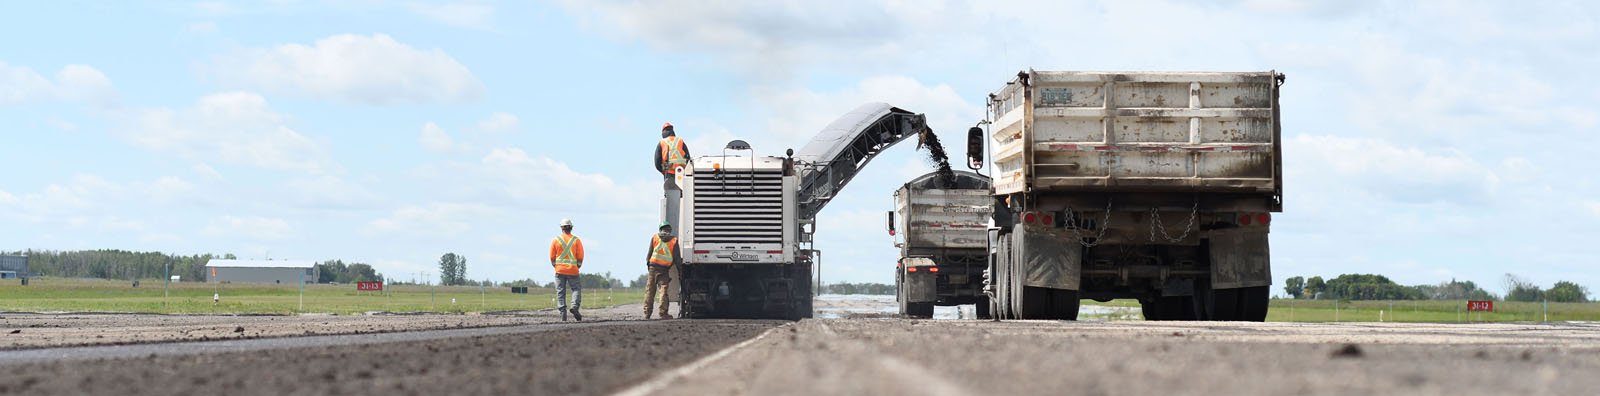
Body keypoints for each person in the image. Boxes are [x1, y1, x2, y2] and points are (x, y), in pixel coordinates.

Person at [643, 220, 681, 319]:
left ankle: (647, 313)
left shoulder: (655, 237)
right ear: (670, 230)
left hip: (653, 267)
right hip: (664, 269)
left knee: (650, 291)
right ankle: (663, 313)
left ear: (661, 229)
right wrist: (681, 271)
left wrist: (649, 266)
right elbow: (677, 258)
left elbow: (649, 254)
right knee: (663, 291)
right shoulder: (674, 241)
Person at [549, 218, 585, 321]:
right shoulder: (576, 240)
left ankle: (562, 313)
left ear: (561, 228)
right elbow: (580, 256)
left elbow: (552, 256)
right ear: (571, 228)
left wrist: (556, 266)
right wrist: (577, 265)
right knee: (576, 289)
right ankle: (574, 307)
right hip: (573, 270)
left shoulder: (556, 240)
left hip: (559, 270)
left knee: (560, 291)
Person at [654, 122, 691, 191]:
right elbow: (688, 157)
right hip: (681, 171)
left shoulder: (662, 143)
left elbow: (657, 162)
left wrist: (663, 171)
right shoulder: (680, 141)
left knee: (670, 195)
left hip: (668, 172)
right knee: (682, 195)